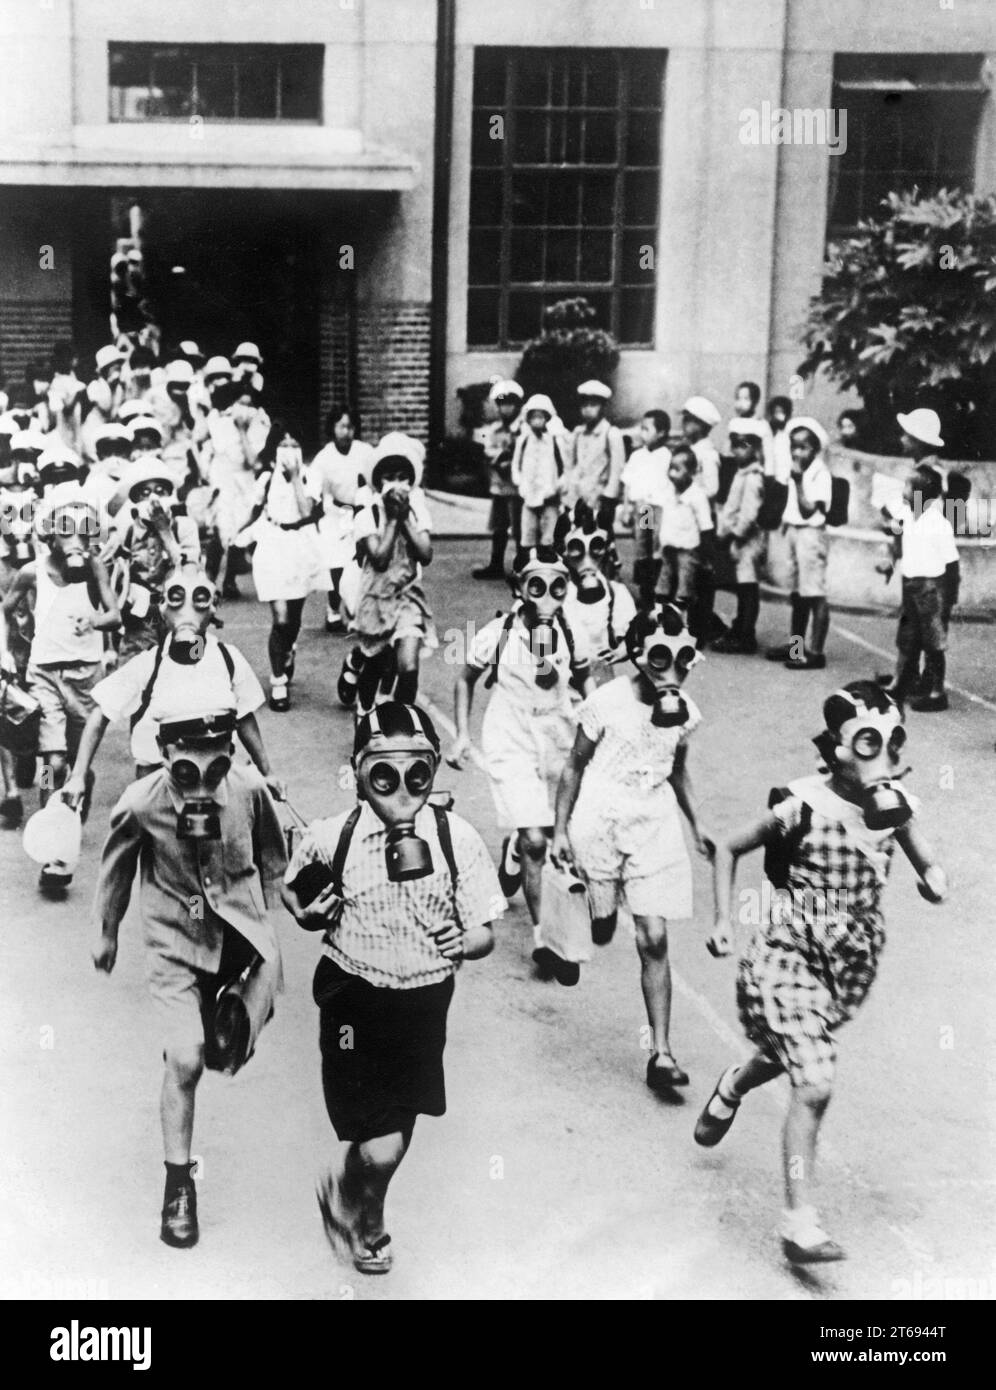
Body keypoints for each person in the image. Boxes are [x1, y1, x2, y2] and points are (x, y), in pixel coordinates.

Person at [696, 682, 948, 1264]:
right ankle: (799, 1223)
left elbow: (924, 857)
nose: (880, 757)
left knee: (792, 1052)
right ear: (837, 748)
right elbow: (728, 846)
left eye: (891, 742)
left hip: (850, 959)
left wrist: (934, 880)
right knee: (815, 1082)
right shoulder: (801, 806)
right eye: (866, 741)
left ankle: (734, 1083)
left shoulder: (895, 806)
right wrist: (723, 922)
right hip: (790, 950)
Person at [282, 702, 500, 1275]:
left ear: (433, 770)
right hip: (352, 1000)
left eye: (417, 773)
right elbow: (293, 890)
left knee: (395, 1136)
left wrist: (465, 941)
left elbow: (485, 931)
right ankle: (368, 1211)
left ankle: (356, 1195)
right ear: (358, 772)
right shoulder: (334, 838)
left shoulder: (458, 839)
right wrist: (309, 911)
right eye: (383, 774)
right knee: (376, 1138)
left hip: (424, 1003)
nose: (400, 790)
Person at [91, 704, 287, 1250]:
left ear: (230, 756)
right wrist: (105, 931)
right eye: (186, 772)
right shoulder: (141, 803)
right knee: (187, 1059)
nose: (202, 784)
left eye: (216, 769)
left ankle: (231, 1022)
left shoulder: (248, 791)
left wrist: (280, 921)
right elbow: (115, 870)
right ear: (167, 755)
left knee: (226, 1044)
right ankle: (179, 1185)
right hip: (175, 945)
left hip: (241, 943)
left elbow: (274, 862)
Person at [552, 603, 713, 1087]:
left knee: (654, 938)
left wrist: (695, 821)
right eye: (662, 658)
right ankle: (583, 925)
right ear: (640, 656)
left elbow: (677, 767)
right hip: (600, 818)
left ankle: (661, 1053)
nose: (675, 673)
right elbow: (574, 766)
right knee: (601, 928)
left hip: (654, 820)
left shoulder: (686, 713)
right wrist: (560, 830)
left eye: (684, 661)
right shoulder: (606, 702)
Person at [448, 546, 592, 980]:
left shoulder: (572, 632)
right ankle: (546, 938)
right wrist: (461, 734)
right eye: (536, 585)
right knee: (536, 839)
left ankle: (515, 845)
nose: (547, 595)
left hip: (558, 735)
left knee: (559, 836)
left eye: (557, 585)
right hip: (510, 733)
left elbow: (588, 682)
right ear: (519, 589)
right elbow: (465, 679)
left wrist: (595, 723)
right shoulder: (497, 633)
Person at [63, 561, 277, 795]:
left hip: (213, 777)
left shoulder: (228, 659)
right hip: (159, 779)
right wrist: (77, 776)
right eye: (176, 598)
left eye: (200, 599)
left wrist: (268, 773)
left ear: (214, 606)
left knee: (253, 810)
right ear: (163, 606)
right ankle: (50, 784)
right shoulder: (149, 664)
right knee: (129, 814)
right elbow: (101, 712)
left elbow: (244, 715)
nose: (188, 610)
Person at [2, 497, 119, 892]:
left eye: (83, 533)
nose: (76, 541)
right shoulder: (31, 573)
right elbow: (7, 607)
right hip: (45, 673)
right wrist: (14, 641)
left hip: (86, 678)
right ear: (50, 536)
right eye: (67, 532)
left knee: (74, 758)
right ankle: (55, 840)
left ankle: (76, 786)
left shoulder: (94, 569)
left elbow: (114, 614)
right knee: (51, 759)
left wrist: (95, 620)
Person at [236, 423, 322, 712]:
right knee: (281, 618)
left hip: (299, 547)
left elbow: (307, 510)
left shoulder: (310, 477)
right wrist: (239, 532)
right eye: (283, 446)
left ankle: (288, 648)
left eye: (294, 446)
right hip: (272, 544)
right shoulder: (265, 479)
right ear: (274, 451)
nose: (289, 451)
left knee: (294, 619)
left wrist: (296, 475)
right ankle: (278, 681)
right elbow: (255, 510)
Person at [346, 435, 434, 716]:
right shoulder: (367, 515)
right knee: (377, 664)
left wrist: (406, 517)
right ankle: (365, 710)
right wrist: (393, 519)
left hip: (407, 596)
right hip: (376, 597)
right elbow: (380, 558)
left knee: (408, 667)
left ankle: (400, 720)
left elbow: (425, 554)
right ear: (378, 482)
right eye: (389, 478)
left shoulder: (417, 512)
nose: (396, 485)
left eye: (402, 478)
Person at [104, 459, 202, 660]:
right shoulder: (128, 531)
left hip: (179, 616)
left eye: (160, 490)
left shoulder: (184, 527)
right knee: (134, 672)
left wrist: (165, 531)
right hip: (140, 619)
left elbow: (189, 572)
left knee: (185, 670)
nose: (153, 497)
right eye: (145, 493)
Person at [884, 465, 958, 713]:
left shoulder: (938, 522)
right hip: (910, 583)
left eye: (908, 486)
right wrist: (890, 562)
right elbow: (897, 538)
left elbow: (951, 563)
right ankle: (899, 683)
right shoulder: (906, 514)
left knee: (933, 643)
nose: (903, 490)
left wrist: (949, 598)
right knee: (907, 638)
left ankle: (937, 692)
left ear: (921, 494)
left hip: (931, 589)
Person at [765, 417, 833, 671]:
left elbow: (808, 510)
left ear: (815, 450)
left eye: (803, 447)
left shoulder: (819, 475)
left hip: (810, 535)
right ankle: (796, 647)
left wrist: (797, 481)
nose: (796, 452)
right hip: (794, 532)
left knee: (814, 593)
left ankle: (815, 651)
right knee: (798, 595)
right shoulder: (799, 473)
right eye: (794, 446)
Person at [309, 404, 374, 632]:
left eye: (350, 427)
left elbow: (374, 481)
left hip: (360, 511)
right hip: (337, 514)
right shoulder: (324, 457)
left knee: (359, 562)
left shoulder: (365, 451)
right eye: (341, 427)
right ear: (333, 429)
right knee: (337, 564)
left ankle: (357, 611)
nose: (346, 432)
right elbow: (315, 489)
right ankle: (333, 610)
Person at [200, 377, 266, 597]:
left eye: (249, 405)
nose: (245, 409)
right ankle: (209, 580)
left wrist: (243, 431)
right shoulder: (219, 422)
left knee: (238, 534)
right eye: (241, 404)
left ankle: (229, 580)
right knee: (219, 532)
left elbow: (253, 461)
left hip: (244, 484)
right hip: (222, 480)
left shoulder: (257, 427)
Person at [0, 447, 38, 829]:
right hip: (5, 639)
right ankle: (10, 789)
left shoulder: (28, 504)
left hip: (32, 636)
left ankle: (39, 779)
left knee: (35, 718)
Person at [556, 503, 636, 673]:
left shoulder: (616, 593)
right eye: (576, 548)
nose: (587, 560)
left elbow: (631, 636)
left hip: (600, 677)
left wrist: (620, 651)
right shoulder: (551, 595)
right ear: (563, 551)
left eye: (596, 548)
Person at [712, 421, 766, 654]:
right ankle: (740, 628)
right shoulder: (741, 473)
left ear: (755, 448)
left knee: (747, 588)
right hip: (739, 540)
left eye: (744, 446)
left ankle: (746, 634)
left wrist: (734, 536)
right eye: (735, 445)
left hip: (747, 542)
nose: (738, 451)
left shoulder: (753, 477)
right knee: (743, 586)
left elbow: (748, 515)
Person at [473, 380, 524, 579]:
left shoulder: (522, 430)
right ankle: (496, 564)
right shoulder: (494, 430)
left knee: (520, 530)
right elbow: (488, 451)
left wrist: (508, 460)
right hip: (500, 486)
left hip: (517, 488)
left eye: (510, 403)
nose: (506, 408)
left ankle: (523, 565)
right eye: (502, 403)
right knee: (499, 527)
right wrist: (500, 458)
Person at [656, 443, 714, 616]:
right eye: (670, 468)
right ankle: (659, 615)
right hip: (668, 547)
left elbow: (706, 527)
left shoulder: (697, 496)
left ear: (691, 473)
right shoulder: (668, 491)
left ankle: (682, 621)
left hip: (688, 550)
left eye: (677, 469)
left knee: (685, 584)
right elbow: (658, 516)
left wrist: (706, 556)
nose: (672, 474)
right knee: (663, 582)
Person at [620, 409, 672, 604]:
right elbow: (627, 483)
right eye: (641, 429)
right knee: (643, 544)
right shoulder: (637, 456)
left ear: (661, 433)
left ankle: (660, 590)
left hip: (660, 507)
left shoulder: (667, 456)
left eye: (646, 429)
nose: (642, 433)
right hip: (644, 509)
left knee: (657, 546)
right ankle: (645, 589)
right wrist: (626, 508)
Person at [563, 381, 626, 531]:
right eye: (584, 405)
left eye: (593, 405)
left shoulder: (611, 434)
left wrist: (609, 498)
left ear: (603, 407)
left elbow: (617, 469)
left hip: (599, 498)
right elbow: (570, 465)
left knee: (599, 542)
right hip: (577, 498)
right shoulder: (578, 433)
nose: (588, 410)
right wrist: (569, 491)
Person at [510, 394, 565, 547]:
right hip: (529, 493)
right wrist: (520, 482)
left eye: (541, 416)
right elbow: (516, 464)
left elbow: (563, 466)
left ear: (547, 418)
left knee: (548, 535)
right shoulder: (524, 440)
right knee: (528, 532)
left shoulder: (553, 440)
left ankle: (548, 565)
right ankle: (530, 564)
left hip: (549, 495)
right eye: (533, 417)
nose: (537, 420)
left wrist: (558, 486)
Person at [81, 345, 126, 463]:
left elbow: (115, 411)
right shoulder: (95, 386)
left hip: (110, 429)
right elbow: (105, 406)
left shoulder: (119, 389)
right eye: (113, 366)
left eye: (119, 366)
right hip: (93, 427)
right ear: (105, 369)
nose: (117, 369)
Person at [726, 380, 774, 474]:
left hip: (753, 471)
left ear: (755, 401)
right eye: (738, 398)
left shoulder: (761, 424)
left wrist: (768, 474)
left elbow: (769, 453)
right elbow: (728, 450)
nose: (740, 403)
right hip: (735, 471)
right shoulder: (733, 423)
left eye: (746, 399)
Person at [765, 395, 793, 485]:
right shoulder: (765, 432)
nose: (776, 416)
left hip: (781, 481)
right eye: (774, 412)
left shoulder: (787, 436)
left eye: (780, 413)